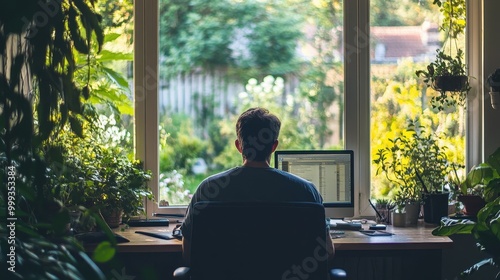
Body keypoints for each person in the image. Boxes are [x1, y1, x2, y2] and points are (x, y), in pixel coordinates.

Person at [180, 107, 335, 265]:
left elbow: (189, 253)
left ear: (239, 146)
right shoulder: (307, 191)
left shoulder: (208, 189)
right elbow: (327, 251)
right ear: (274, 146)